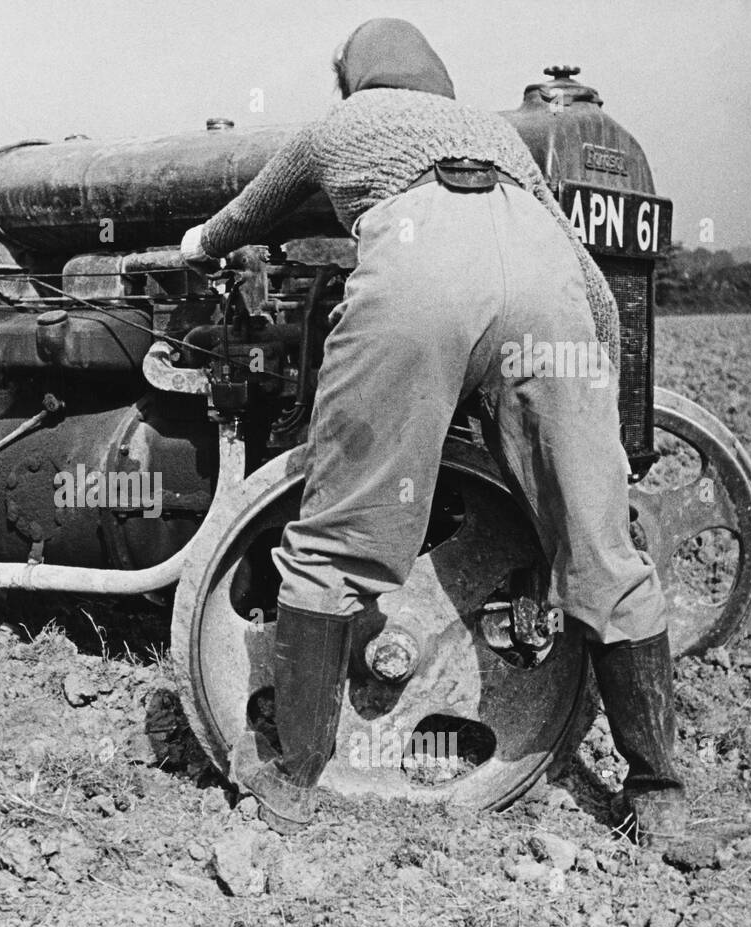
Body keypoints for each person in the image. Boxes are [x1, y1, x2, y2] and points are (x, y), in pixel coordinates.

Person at [180, 18, 687, 846]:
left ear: (355, 81)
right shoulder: (494, 133)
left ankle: (289, 773)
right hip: (544, 280)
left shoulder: (335, 126)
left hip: (420, 273)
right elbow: (592, 288)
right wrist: (603, 424)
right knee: (601, 550)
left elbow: (251, 212)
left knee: (340, 535)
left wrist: (198, 244)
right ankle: (659, 785)